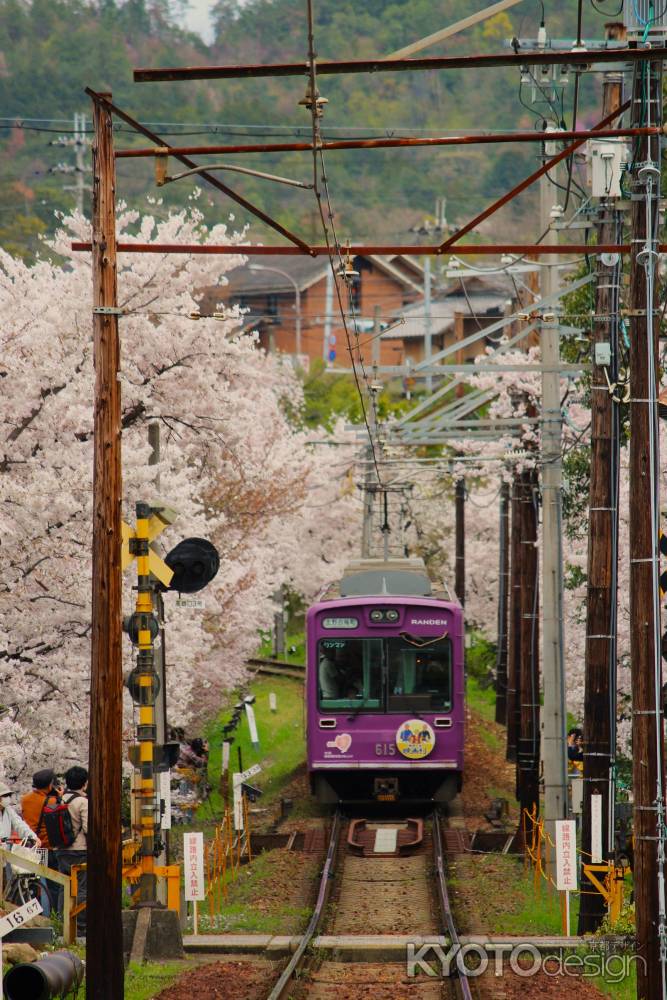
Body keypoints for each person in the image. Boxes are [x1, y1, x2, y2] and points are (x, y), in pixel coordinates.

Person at [55, 766, 88, 938]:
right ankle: (80, 925)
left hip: (61, 850)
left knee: (64, 887)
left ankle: (63, 923)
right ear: (85, 783)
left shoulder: (59, 800)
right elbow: (88, 828)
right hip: (79, 850)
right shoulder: (82, 802)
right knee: (81, 888)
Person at [21, 768, 59, 915]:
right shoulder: (52, 801)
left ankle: (34, 914)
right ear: (50, 785)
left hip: (31, 847)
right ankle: (54, 915)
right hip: (48, 848)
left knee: (32, 883)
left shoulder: (25, 799)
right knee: (54, 884)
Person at [0, 780, 40, 895]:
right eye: (4, 796)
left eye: (8, 795)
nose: (7, 798)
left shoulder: (8, 810)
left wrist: (32, 837)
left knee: (4, 891)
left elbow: (19, 824)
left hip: (3, 856)